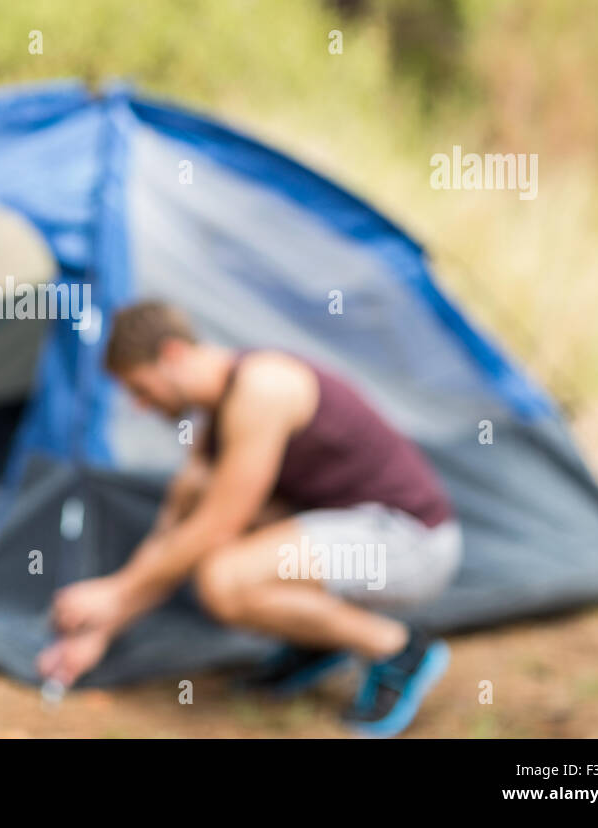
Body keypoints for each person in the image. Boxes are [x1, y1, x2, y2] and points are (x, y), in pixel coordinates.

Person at [37, 300, 462, 737]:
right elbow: (174, 531)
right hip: (351, 532)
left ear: (172, 355)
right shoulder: (215, 420)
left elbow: (216, 526)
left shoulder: (263, 388)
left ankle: (400, 649)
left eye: (141, 389)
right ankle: (318, 640)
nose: (141, 406)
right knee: (202, 501)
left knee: (225, 578)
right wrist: (102, 627)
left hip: (412, 540)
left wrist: (115, 591)